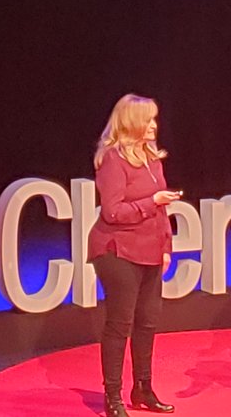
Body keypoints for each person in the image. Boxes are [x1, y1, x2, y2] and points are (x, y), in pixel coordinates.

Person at [88, 95, 181, 416]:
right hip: (118, 250)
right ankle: (112, 397)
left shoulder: (152, 157)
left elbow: (162, 208)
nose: (154, 125)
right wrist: (151, 201)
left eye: (155, 119)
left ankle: (143, 389)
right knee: (120, 324)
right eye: (148, 120)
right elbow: (112, 212)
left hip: (151, 250)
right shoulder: (113, 159)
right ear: (131, 122)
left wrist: (166, 246)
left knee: (148, 323)